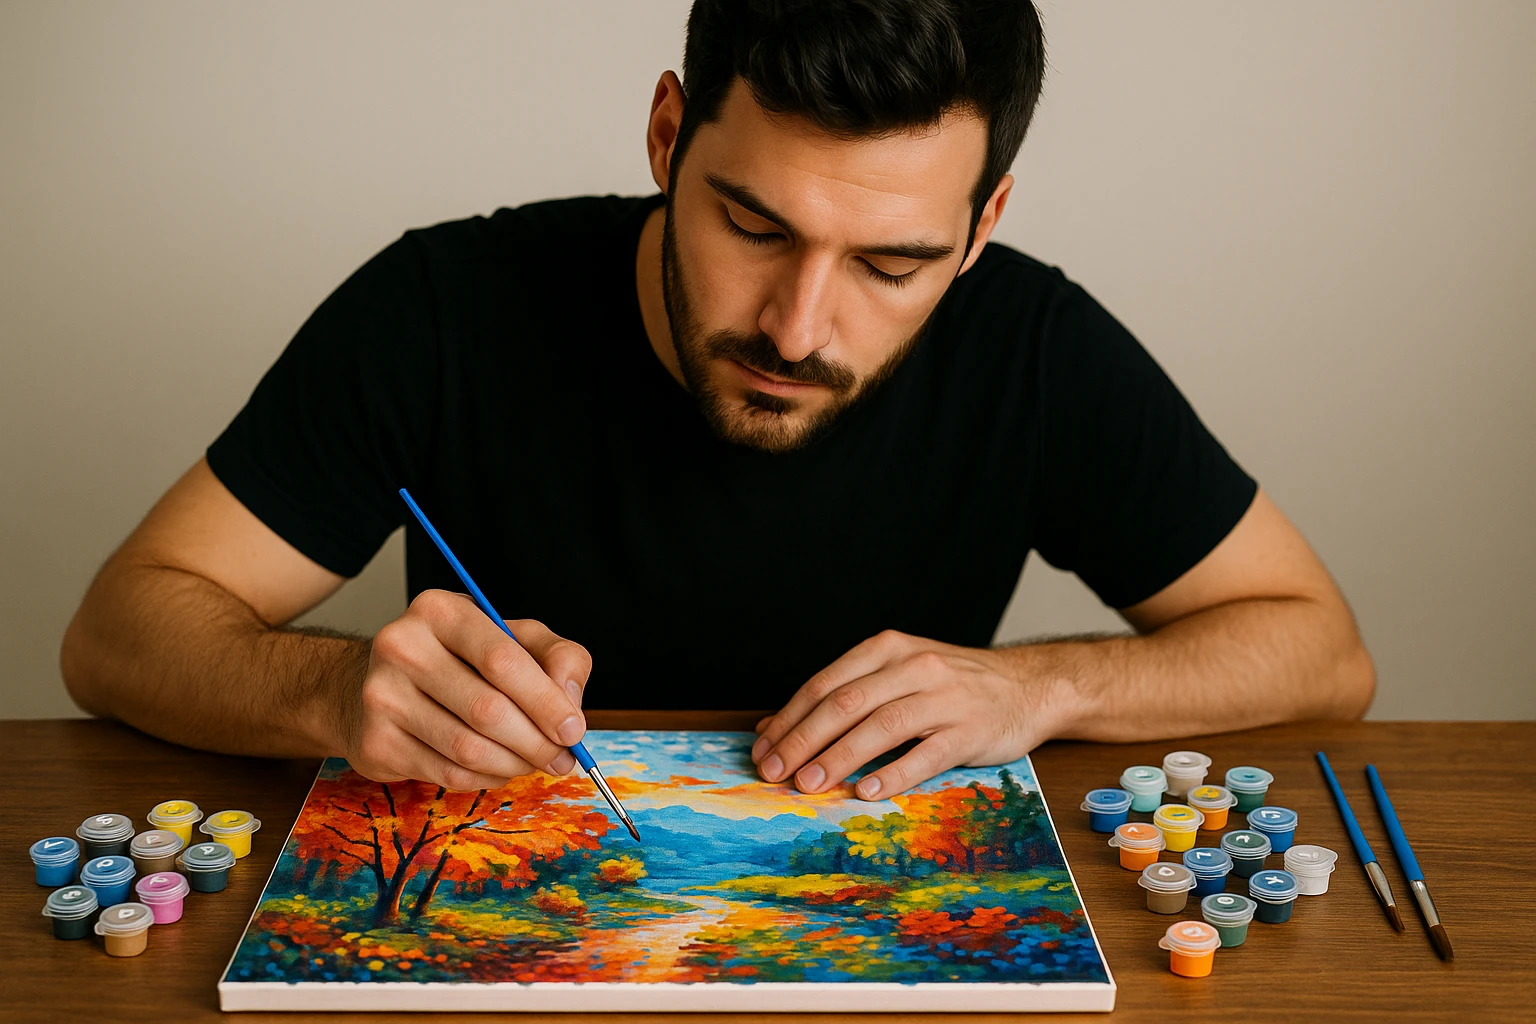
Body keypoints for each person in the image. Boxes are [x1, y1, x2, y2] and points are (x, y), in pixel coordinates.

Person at [62, 0, 1373, 802]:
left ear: (983, 228)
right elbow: (116, 635)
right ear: (666, 136)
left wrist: (1042, 688)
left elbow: (1321, 653)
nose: (799, 329)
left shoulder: (1037, 348)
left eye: (893, 265)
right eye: (753, 225)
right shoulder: (441, 307)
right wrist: (335, 691)